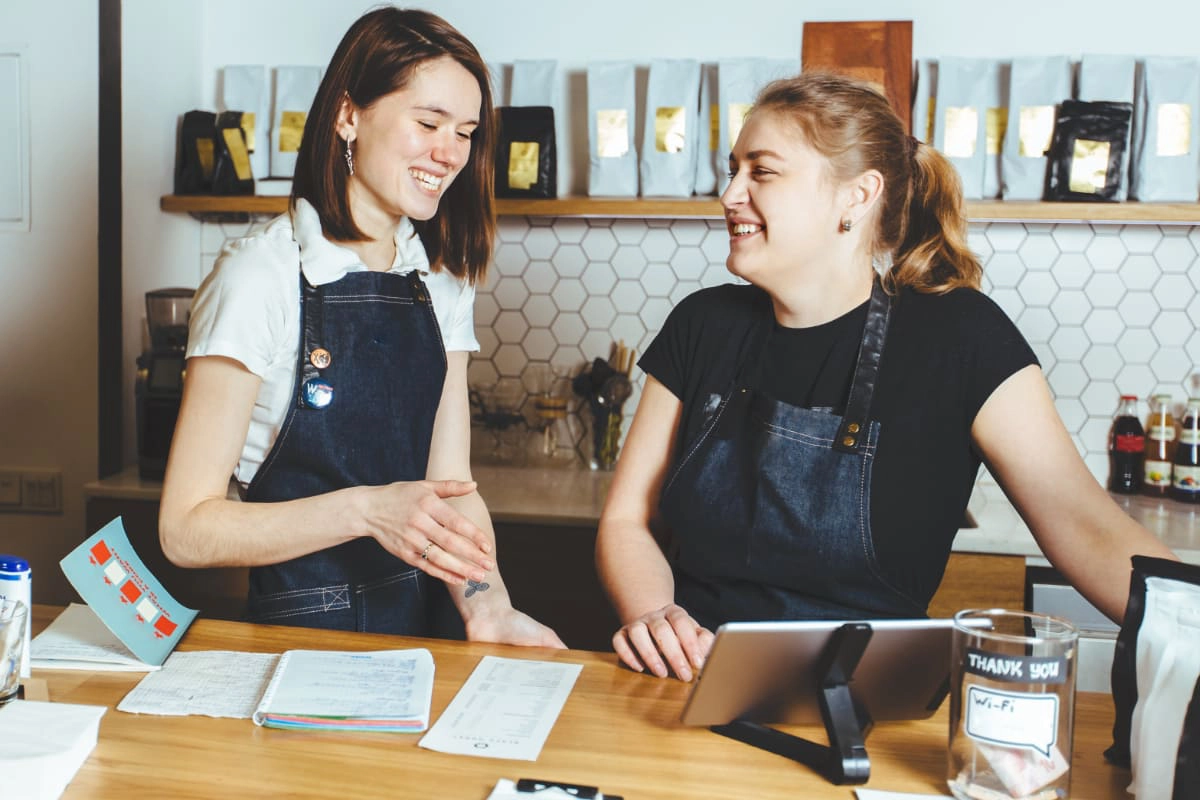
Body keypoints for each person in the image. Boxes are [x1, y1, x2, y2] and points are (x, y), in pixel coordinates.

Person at [595, 71, 1177, 680]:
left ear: (857, 195)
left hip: (858, 700)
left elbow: (1086, 525)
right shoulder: (703, 325)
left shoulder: (959, 337)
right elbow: (628, 519)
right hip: (688, 679)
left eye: (761, 172)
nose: (730, 194)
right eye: (732, 169)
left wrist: (1186, 621)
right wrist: (656, 614)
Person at [159, 8, 563, 647]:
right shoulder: (259, 276)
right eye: (428, 122)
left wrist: (489, 606)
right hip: (301, 639)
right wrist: (366, 512)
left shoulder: (443, 279)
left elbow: (451, 489)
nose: (449, 153)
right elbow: (186, 529)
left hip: (429, 632)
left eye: (465, 131)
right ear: (349, 115)